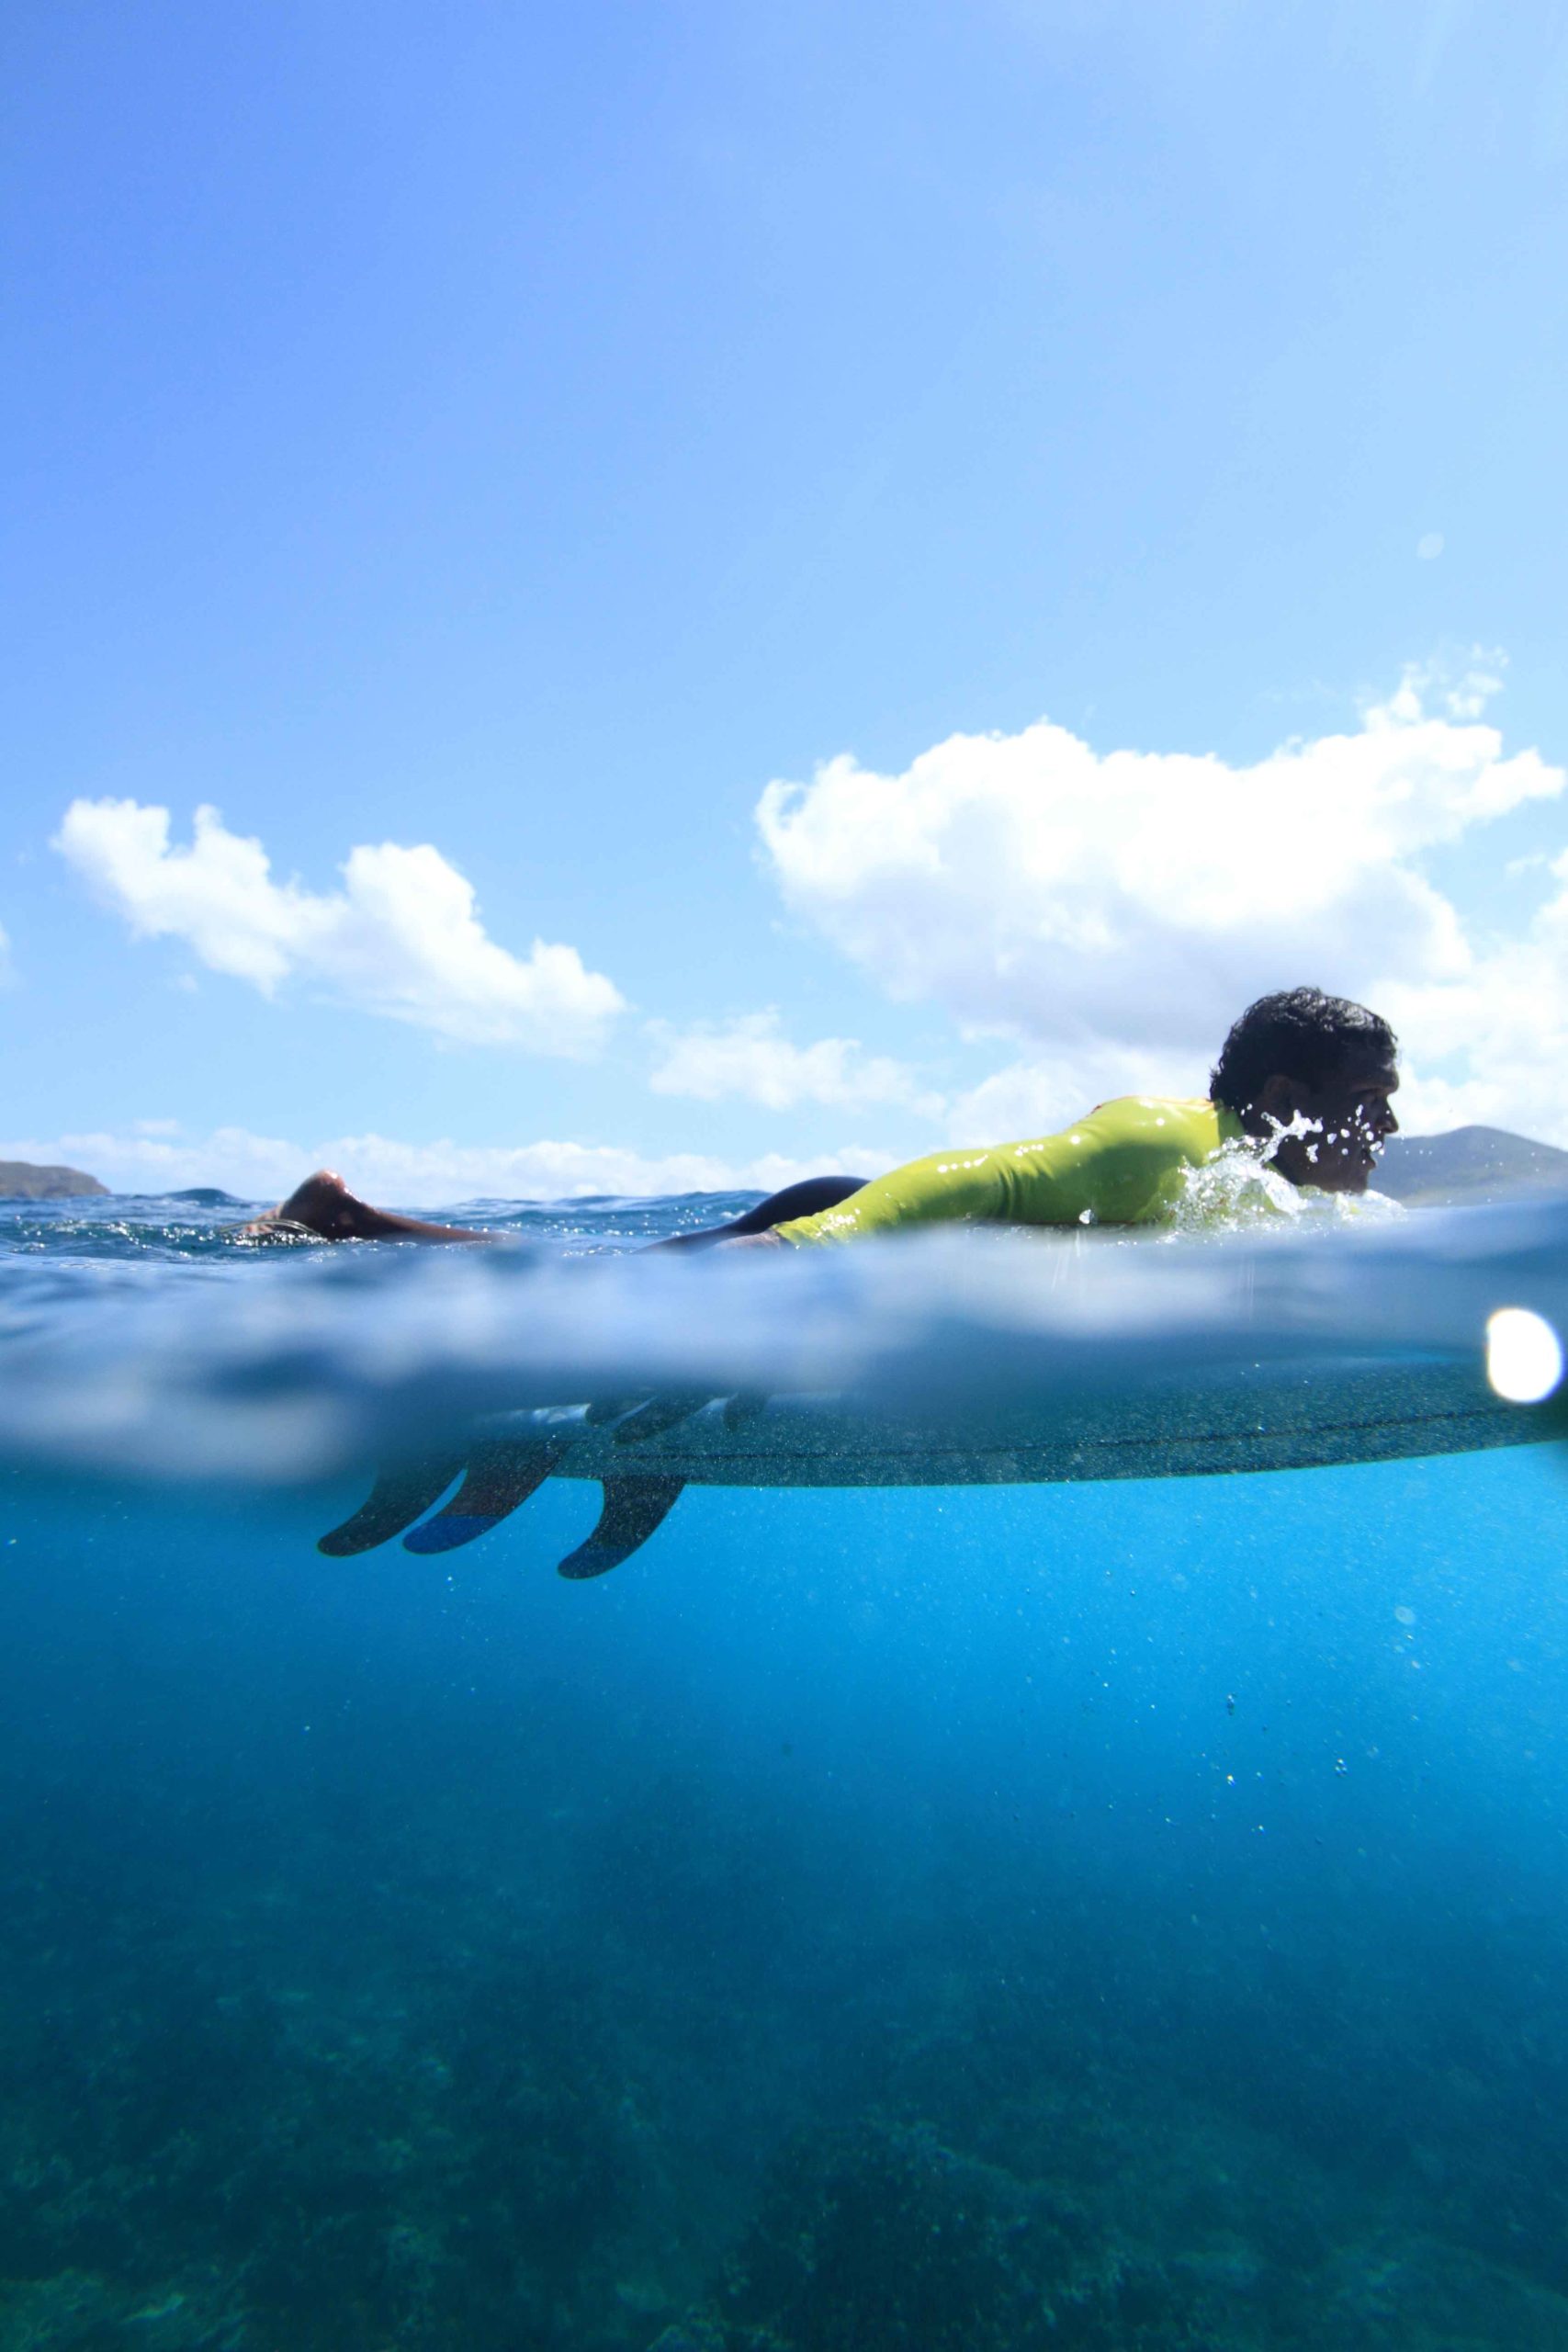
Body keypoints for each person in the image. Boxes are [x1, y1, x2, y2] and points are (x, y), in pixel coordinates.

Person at [248, 988, 1399, 1250]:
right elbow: (982, 1177)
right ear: (1290, 1105)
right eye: (1368, 1106)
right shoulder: (1167, 1139)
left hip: (850, 1233)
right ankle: (341, 1220)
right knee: (579, 1279)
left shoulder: (1267, 1196)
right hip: (841, 1222)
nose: (1387, 1130)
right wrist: (808, 1252)